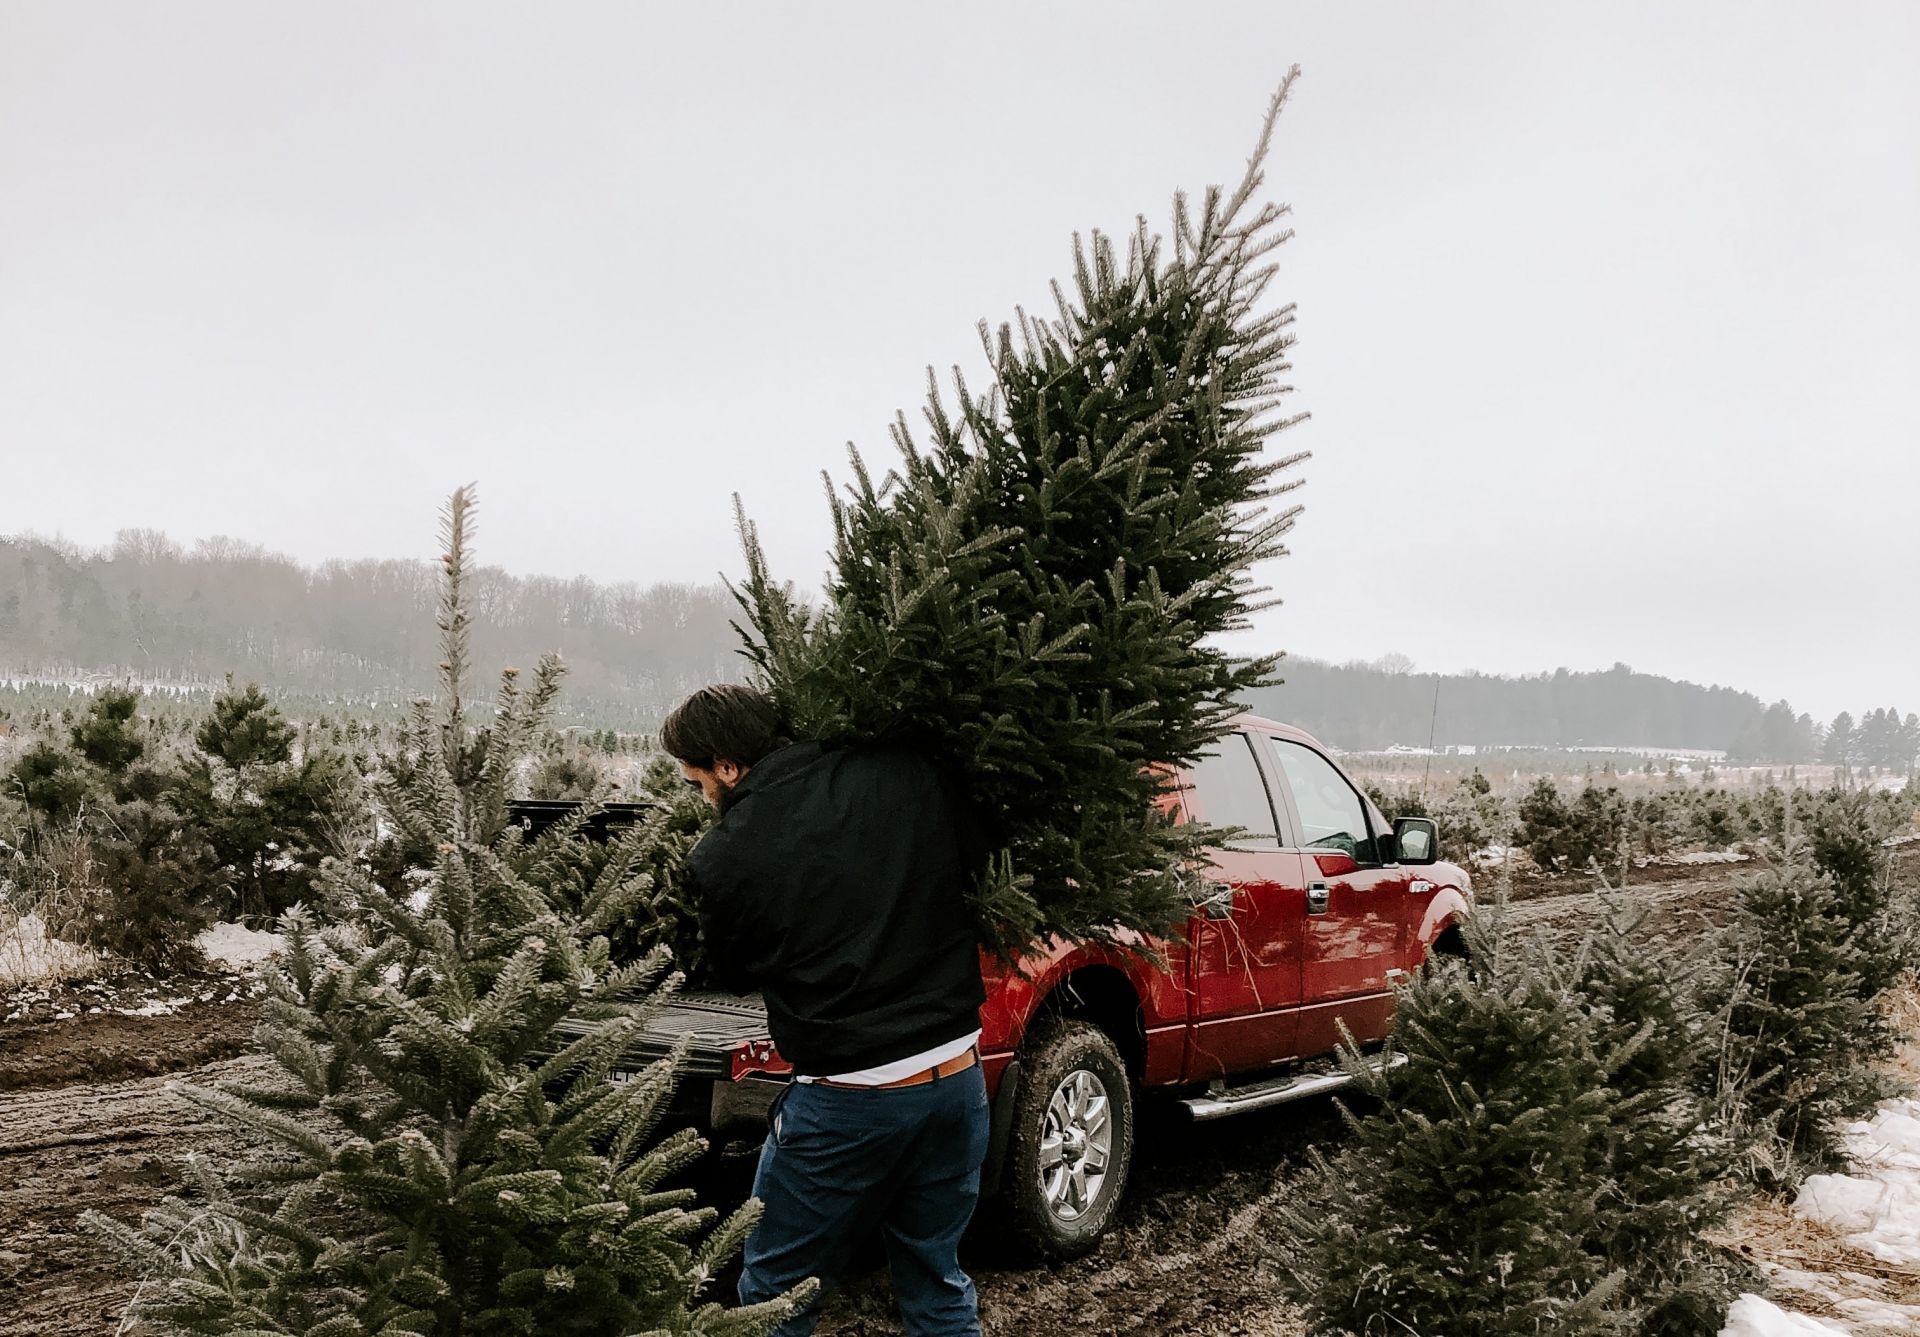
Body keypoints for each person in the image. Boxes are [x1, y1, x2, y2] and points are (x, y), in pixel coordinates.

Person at [661, 683, 990, 1337]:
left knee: (775, 1295)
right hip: (957, 1078)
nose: (703, 798)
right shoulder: (903, 769)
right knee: (937, 1283)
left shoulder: (725, 855)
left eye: (699, 780)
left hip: (849, 1099)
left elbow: (733, 972)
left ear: (727, 766)